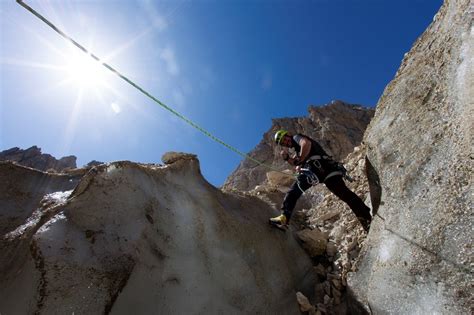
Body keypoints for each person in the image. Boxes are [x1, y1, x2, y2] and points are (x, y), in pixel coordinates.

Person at [269, 129, 372, 231]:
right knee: (346, 195)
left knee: (294, 191)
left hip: (316, 169)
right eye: (283, 142)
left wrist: (300, 161)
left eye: (285, 139)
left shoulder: (297, 137)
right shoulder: (298, 150)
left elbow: (306, 143)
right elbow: (296, 162)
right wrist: (287, 158)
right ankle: (367, 219)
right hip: (328, 170)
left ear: (288, 135)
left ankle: (284, 218)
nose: (286, 142)